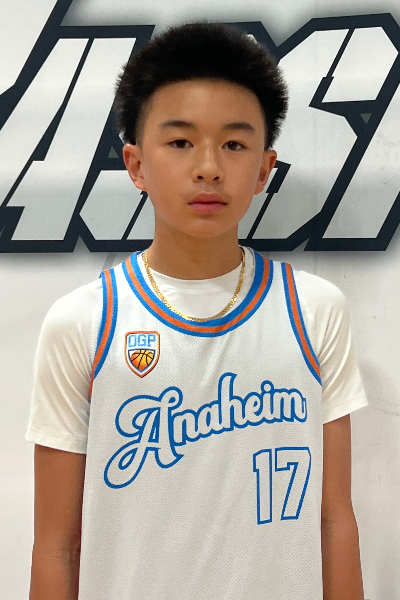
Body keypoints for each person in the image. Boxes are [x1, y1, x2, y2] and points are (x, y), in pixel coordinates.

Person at [26, 22, 368, 600]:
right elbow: (58, 543)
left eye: (234, 144)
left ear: (264, 169)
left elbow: (334, 519)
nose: (208, 167)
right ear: (136, 164)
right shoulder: (83, 321)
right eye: (181, 142)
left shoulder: (314, 311)